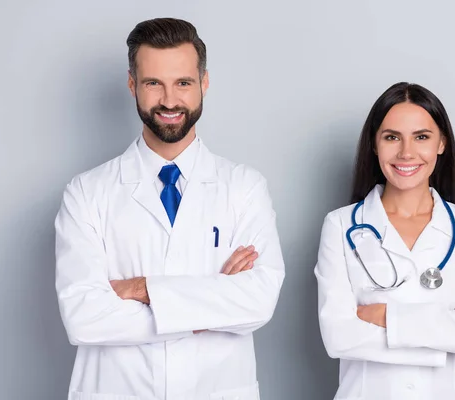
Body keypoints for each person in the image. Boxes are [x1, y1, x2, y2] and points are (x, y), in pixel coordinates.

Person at [55, 17, 284, 400]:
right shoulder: (86, 193)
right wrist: (212, 304)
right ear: (132, 85)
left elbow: (257, 302)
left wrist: (141, 288)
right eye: (152, 83)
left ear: (204, 84)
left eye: (183, 83)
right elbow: (83, 318)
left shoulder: (244, 187)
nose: (169, 100)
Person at [314, 82, 455, 400]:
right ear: (375, 145)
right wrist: (450, 327)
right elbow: (339, 337)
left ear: (442, 143)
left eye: (421, 137)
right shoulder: (340, 226)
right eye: (392, 137)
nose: (406, 152)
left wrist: (386, 317)